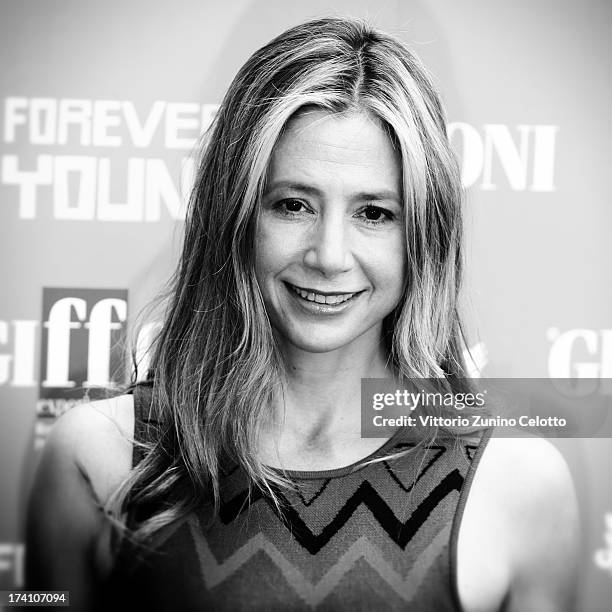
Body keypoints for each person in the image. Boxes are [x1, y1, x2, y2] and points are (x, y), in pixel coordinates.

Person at [25, 17, 579, 612]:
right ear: (235, 214)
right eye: (292, 205)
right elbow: (36, 602)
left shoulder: (520, 485)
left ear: (425, 233)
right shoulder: (95, 453)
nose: (329, 256)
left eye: (374, 213)